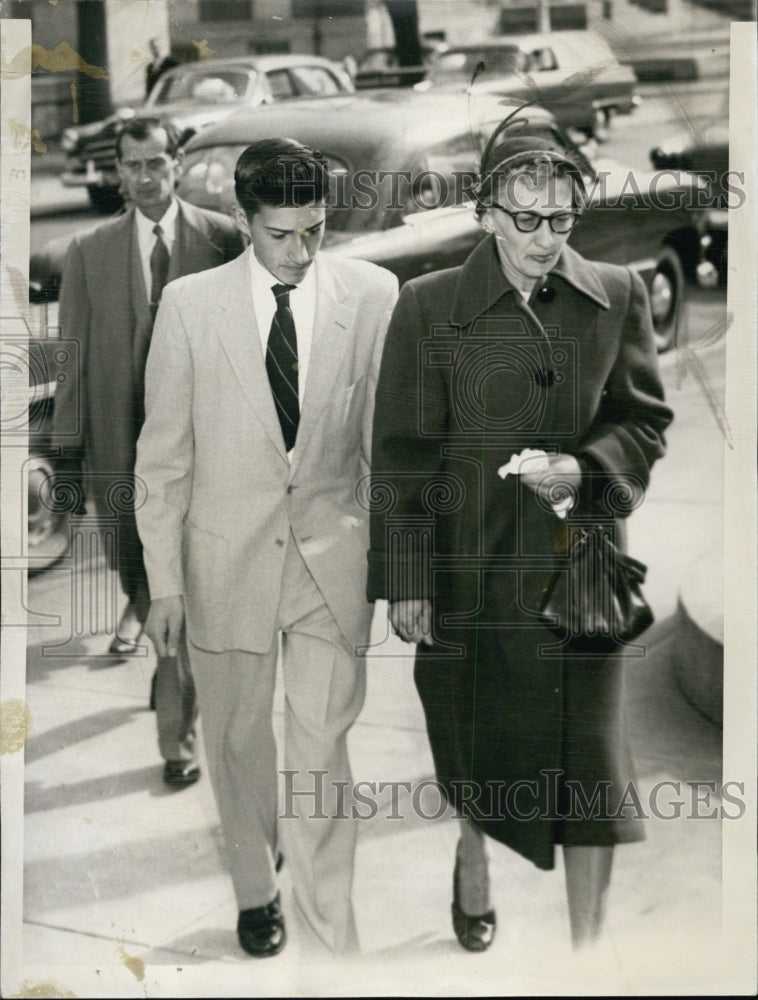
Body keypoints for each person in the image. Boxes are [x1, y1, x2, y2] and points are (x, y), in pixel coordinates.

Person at [368, 116, 674, 950]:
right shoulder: (428, 306)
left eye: (562, 220)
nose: (545, 239)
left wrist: (587, 471)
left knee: (594, 775)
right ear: (486, 212)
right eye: (525, 219)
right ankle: (473, 856)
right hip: (469, 574)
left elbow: (643, 422)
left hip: (579, 576)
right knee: (475, 753)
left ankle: (588, 952)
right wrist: (406, 579)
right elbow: (400, 455)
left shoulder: (616, 294)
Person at [134, 139, 398, 958]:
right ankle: (257, 888)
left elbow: (380, 448)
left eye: (315, 231)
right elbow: (164, 458)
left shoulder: (374, 294)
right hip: (222, 567)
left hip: (330, 563)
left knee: (321, 754)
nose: (299, 252)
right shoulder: (188, 305)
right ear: (243, 221)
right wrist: (165, 584)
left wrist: (396, 562)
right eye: (280, 234)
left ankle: (331, 943)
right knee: (241, 743)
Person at [53, 117, 244, 789]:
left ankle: (177, 737)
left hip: (201, 457)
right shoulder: (89, 252)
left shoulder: (223, 238)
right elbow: (73, 357)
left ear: (179, 162)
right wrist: (68, 461)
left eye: (155, 162)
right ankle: (170, 679)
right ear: (117, 171)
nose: (143, 176)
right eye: (130, 165)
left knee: (180, 590)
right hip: (117, 457)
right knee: (143, 580)